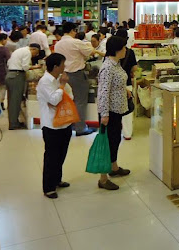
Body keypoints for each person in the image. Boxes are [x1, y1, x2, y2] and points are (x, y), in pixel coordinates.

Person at [97, 36, 131, 191]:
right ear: (117, 50)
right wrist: (104, 114)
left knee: (115, 139)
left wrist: (124, 90)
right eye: (123, 47)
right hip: (109, 111)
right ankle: (103, 178)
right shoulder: (108, 67)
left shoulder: (115, 64)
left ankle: (114, 167)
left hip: (117, 109)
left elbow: (115, 84)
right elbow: (103, 92)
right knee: (108, 143)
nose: (125, 50)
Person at [50, 22, 96, 136]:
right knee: (80, 101)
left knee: (66, 101)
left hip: (63, 75)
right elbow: (90, 52)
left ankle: (68, 125)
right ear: (72, 31)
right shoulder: (76, 42)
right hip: (77, 74)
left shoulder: (58, 44)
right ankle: (80, 128)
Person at [37, 53, 73, 199]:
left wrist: (63, 86)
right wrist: (62, 86)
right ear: (56, 66)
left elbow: (70, 96)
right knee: (51, 157)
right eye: (63, 64)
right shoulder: (45, 81)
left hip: (65, 123)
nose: (65, 67)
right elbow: (54, 101)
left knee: (61, 154)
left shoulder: (58, 79)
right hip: (51, 125)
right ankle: (48, 187)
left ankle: (57, 179)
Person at [5, 44, 41, 130]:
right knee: (15, 101)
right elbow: (25, 67)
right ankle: (13, 124)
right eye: (36, 53)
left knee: (11, 100)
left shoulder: (19, 50)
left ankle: (13, 121)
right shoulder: (27, 52)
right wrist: (36, 67)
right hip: (17, 76)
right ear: (34, 49)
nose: (35, 55)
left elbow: (8, 62)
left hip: (10, 75)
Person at [115, 28, 137, 140]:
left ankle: (115, 130)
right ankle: (127, 133)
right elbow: (134, 68)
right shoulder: (130, 52)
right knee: (127, 109)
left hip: (114, 86)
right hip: (126, 83)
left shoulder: (110, 53)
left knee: (115, 109)